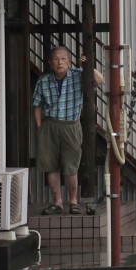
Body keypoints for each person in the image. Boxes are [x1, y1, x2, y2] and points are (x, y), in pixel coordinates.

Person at [32, 46, 103, 215]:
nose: (60, 62)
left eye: (63, 59)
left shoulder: (78, 75)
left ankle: (73, 201)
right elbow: (37, 105)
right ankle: (57, 202)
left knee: (71, 166)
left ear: (69, 62)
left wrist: (87, 66)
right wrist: (40, 126)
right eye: (56, 59)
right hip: (49, 125)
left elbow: (100, 80)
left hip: (71, 125)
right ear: (50, 63)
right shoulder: (43, 80)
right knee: (50, 166)